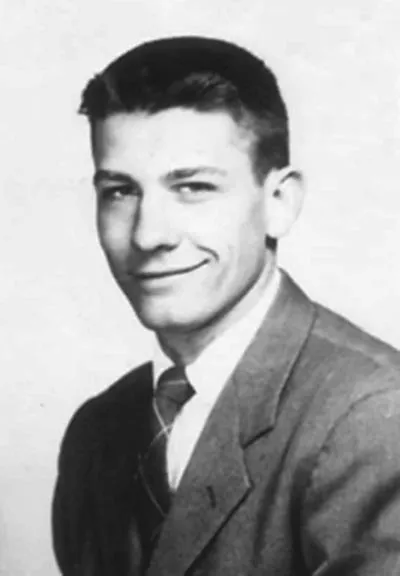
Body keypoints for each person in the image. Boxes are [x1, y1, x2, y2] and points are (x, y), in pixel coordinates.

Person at [52, 36, 400, 575]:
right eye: (119, 191)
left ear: (279, 202)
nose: (148, 235)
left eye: (192, 187)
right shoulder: (97, 432)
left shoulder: (376, 418)